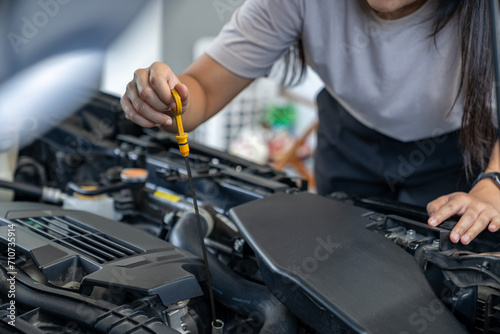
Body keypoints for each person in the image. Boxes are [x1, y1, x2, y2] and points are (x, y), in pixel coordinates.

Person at [121, 0, 500, 245]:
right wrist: (162, 101)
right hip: (349, 141)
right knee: (338, 263)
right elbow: (202, 88)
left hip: (459, 156)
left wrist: (492, 185)